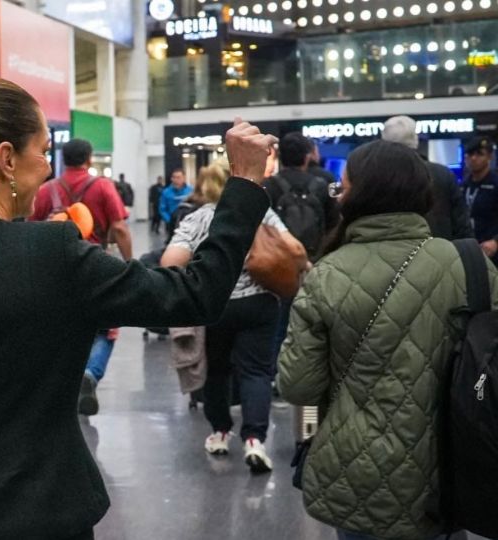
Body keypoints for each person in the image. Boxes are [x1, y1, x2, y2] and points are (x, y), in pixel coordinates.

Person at [0, 77, 277, 540]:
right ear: (6, 159)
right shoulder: (53, 254)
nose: (46, 167)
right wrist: (243, 185)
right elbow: (195, 294)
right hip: (46, 514)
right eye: (42, 150)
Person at [277, 140, 496, 540]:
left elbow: (299, 385)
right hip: (455, 467)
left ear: (358, 196)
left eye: (341, 186)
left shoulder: (327, 275)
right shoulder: (470, 265)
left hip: (362, 474)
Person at [160, 162, 297, 474]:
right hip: (259, 303)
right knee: (257, 371)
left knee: (217, 371)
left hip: (214, 306)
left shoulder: (198, 217)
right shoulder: (261, 214)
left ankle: (220, 433)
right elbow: (293, 248)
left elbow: (170, 262)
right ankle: (255, 441)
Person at [30, 138, 132, 415]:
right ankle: (90, 373)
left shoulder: (46, 190)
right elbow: (120, 227)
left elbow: (30, 227)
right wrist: (129, 263)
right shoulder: (101, 187)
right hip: (94, 265)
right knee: (106, 328)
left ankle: (61, 380)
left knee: (61, 324)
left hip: (53, 268)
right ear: (88, 159)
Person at [383, 115, 473, 240]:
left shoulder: (374, 176)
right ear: (416, 139)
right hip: (440, 250)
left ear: (383, 141)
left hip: (392, 251)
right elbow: (461, 225)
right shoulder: (442, 174)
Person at [265, 132, 338, 259]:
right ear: (307, 157)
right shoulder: (324, 183)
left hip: (279, 258)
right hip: (314, 257)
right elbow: (334, 221)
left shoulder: (267, 186)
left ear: (280, 157)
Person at [462, 136, 498, 263]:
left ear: (490, 157)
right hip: (470, 249)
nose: (473, 158)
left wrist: (496, 241)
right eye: (470, 154)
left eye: (479, 154)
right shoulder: (464, 185)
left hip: (492, 250)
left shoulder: (495, 184)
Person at [159, 169, 192, 233]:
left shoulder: (191, 190)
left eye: (178, 177)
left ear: (184, 178)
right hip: (172, 225)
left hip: (189, 224)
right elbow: (162, 209)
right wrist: (169, 221)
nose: (176, 180)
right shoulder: (166, 192)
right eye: (174, 177)